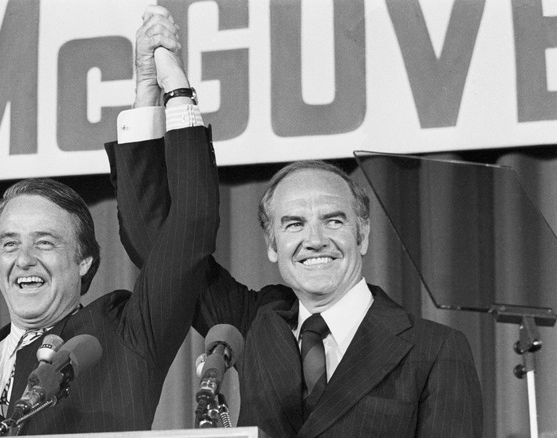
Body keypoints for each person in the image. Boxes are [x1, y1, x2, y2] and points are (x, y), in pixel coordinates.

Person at [108, 8, 483, 438]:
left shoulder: (435, 350)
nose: (315, 240)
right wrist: (159, 93)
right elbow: (163, 250)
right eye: (293, 224)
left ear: (363, 234)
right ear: (271, 245)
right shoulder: (254, 322)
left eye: (333, 220)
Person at [0, 8, 219, 437]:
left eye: (45, 243)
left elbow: (187, 231)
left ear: (85, 262)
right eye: (9, 244)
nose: (24, 259)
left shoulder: (125, 333)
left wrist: (159, 89)